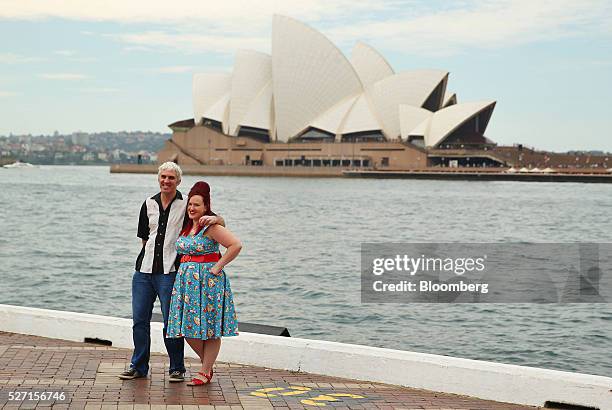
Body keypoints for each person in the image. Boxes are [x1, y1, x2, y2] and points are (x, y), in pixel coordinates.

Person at [119, 162, 225, 382]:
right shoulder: (148, 204)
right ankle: (138, 366)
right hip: (143, 272)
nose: (166, 181)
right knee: (139, 320)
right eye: (163, 177)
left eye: (171, 178)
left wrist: (218, 219)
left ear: (179, 181)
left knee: (172, 322)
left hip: (170, 273)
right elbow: (144, 237)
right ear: (158, 179)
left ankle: (177, 368)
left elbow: (213, 221)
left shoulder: (187, 204)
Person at [166, 181, 241, 386]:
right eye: (190, 204)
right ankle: (208, 365)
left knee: (210, 327)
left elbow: (235, 245)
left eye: (197, 205)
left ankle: (205, 370)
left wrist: (217, 267)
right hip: (186, 284)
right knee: (187, 329)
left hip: (208, 284)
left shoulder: (211, 227)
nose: (192, 208)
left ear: (206, 207)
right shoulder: (186, 226)